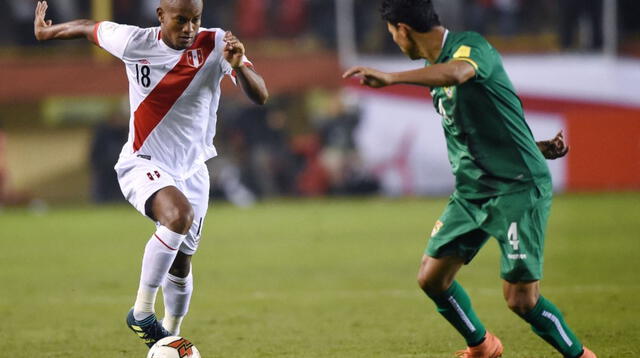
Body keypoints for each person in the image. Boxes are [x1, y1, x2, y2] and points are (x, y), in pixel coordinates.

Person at [343, 1, 594, 357]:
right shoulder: (435, 69)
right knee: (432, 277)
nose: (395, 43)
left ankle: (581, 356)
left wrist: (392, 77)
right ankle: (482, 346)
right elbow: (489, 119)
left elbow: (459, 73)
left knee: (521, 300)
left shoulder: (470, 48)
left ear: (402, 29)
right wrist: (533, 144)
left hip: (516, 188)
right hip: (473, 191)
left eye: (392, 35)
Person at [34, 0, 268, 348]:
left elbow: (260, 95)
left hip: (192, 170)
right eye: (181, 20)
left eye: (195, 20)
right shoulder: (133, 42)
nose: (189, 28)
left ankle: (171, 337)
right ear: (161, 16)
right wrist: (47, 31)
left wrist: (240, 66)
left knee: (182, 264)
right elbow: (87, 28)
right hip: (143, 161)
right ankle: (143, 312)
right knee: (178, 217)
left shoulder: (217, 43)